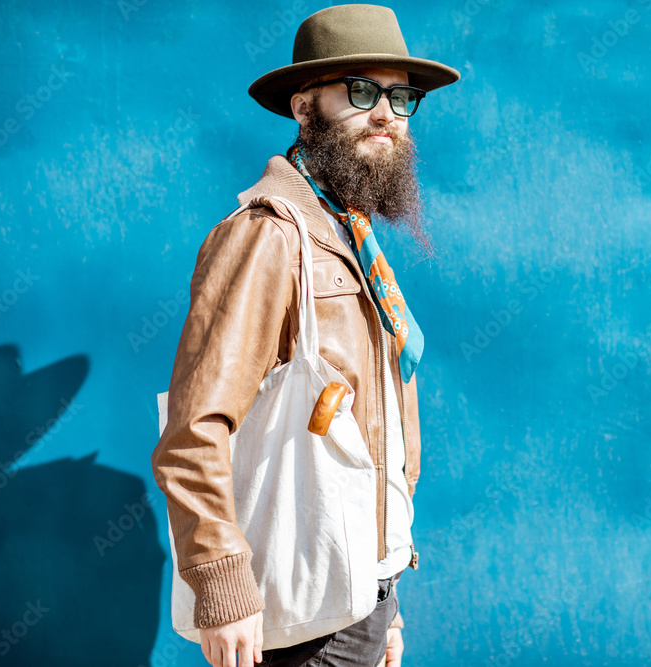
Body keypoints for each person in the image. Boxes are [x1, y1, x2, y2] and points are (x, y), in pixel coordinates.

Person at [150, 5, 459, 667]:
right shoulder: (268, 235)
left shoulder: (350, 235)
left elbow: (373, 443)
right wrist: (222, 584)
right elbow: (193, 427)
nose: (387, 114)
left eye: (401, 97)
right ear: (304, 107)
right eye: (362, 90)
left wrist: (387, 598)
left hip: (360, 599)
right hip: (299, 623)